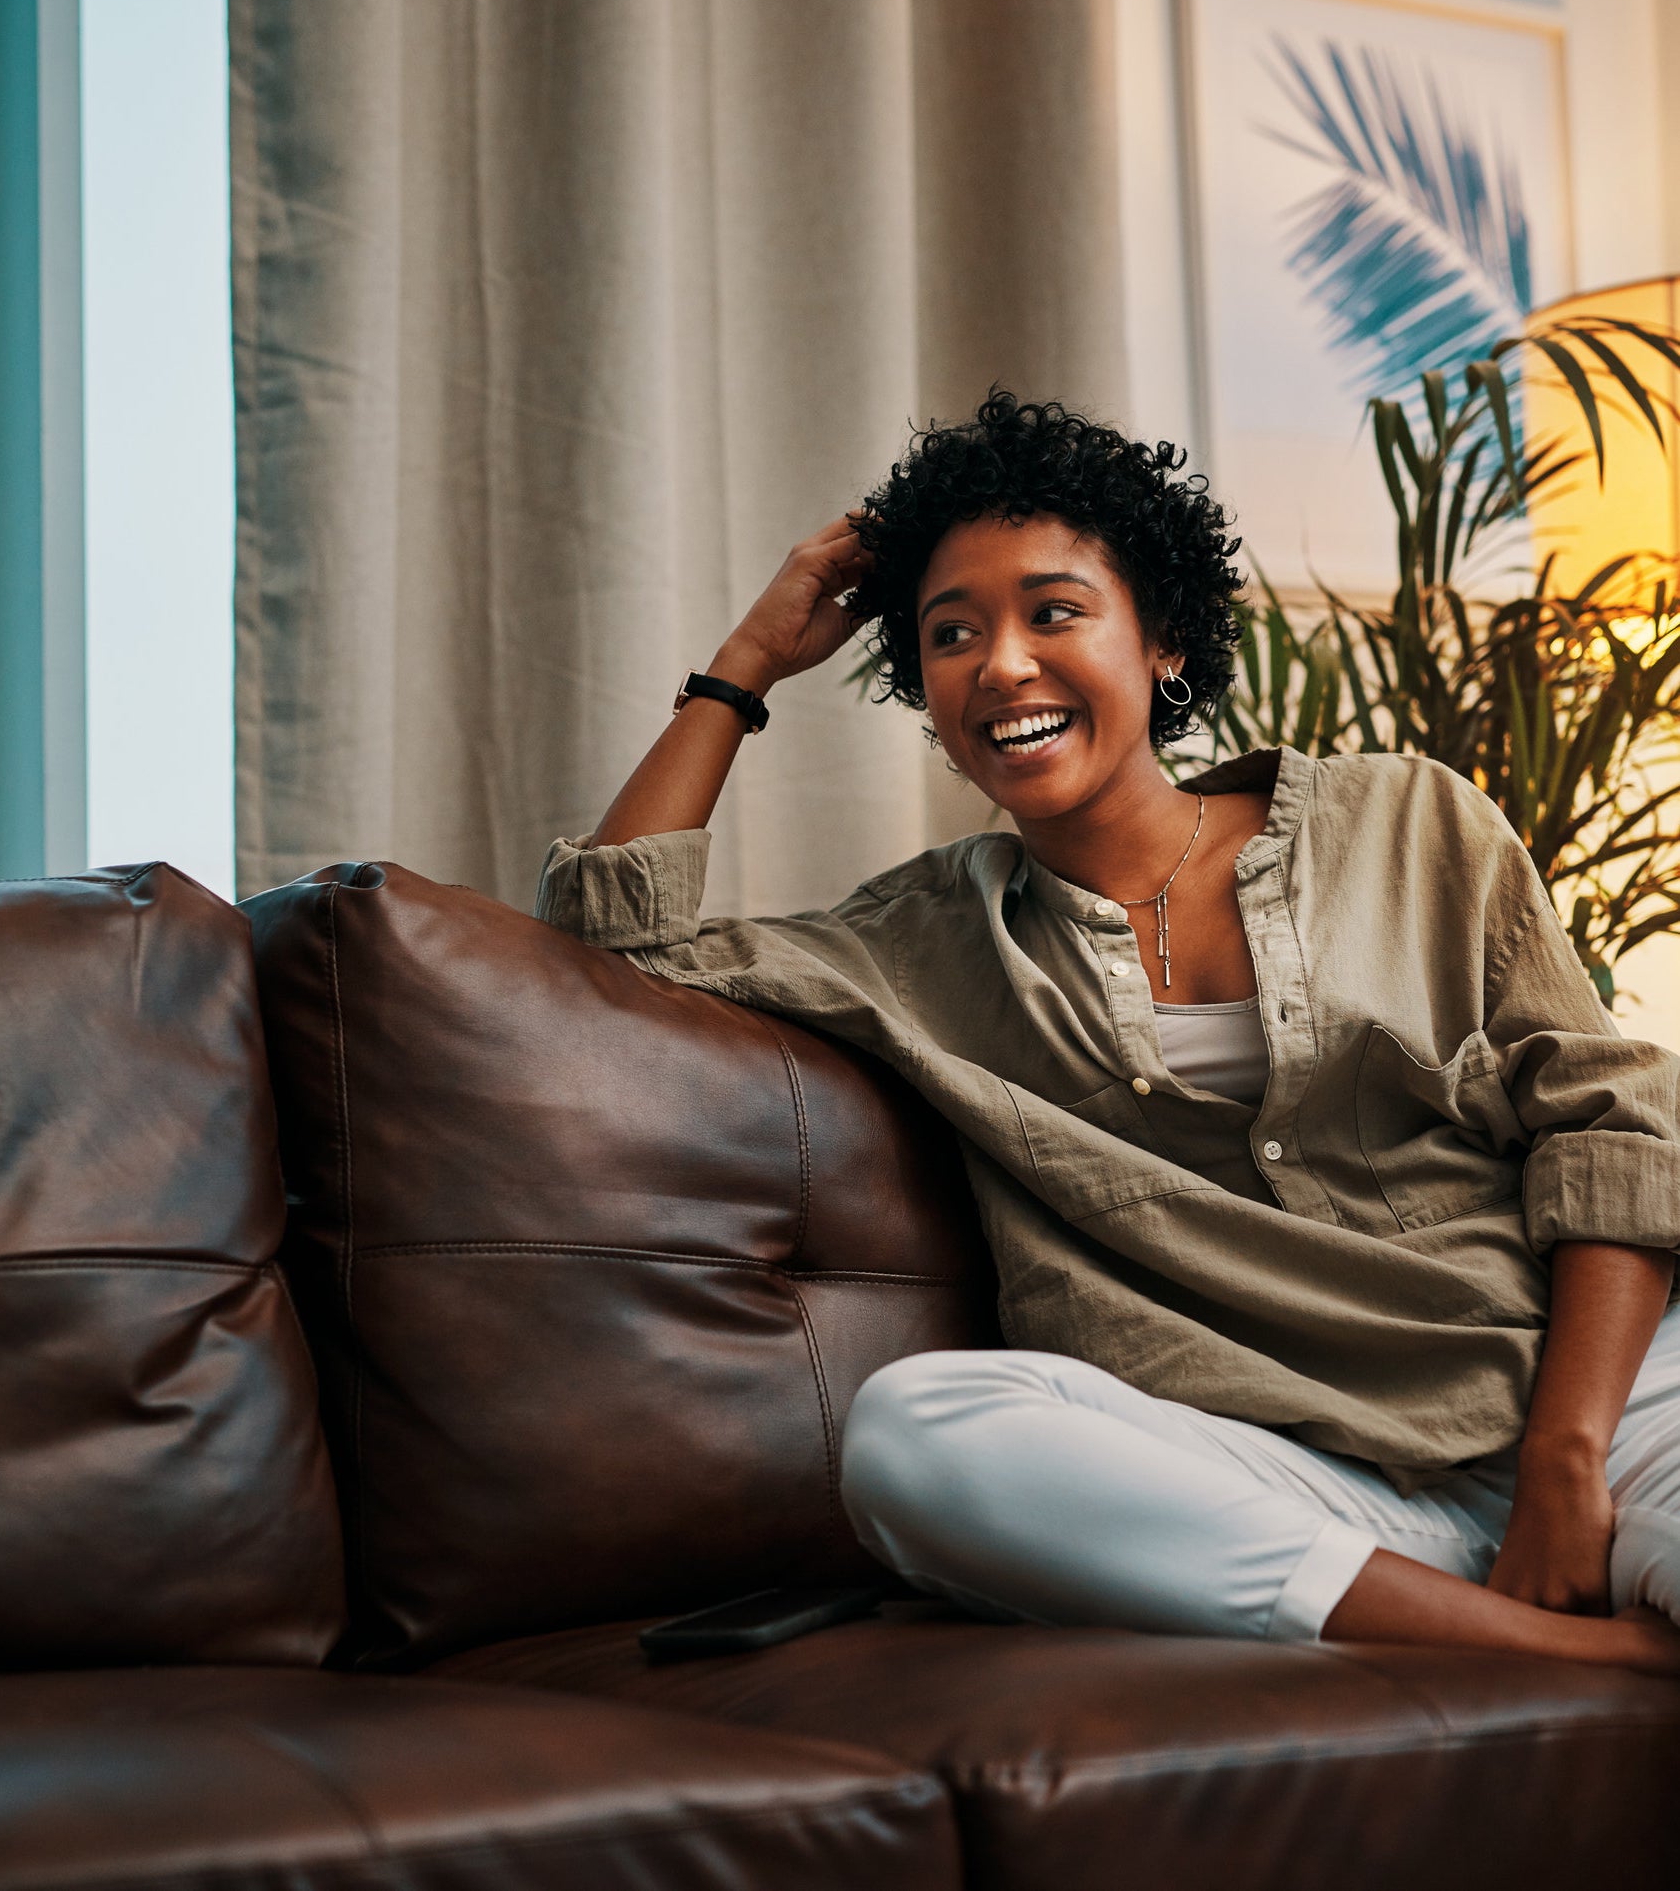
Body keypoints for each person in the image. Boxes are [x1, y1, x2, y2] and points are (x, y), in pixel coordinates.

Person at [535, 390, 1680, 1672]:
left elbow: (1613, 1122)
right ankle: (1575, 1655)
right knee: (921, 1429)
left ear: (1167, 640)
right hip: (1296, 1476)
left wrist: (1566, 1461)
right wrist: (742, 666)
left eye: (1054, 612)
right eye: (951, 634)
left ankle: (1501, 1609)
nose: (1003, 664)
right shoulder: (916, 945)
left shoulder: (1409, 823)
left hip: (1610, 1412)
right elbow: (603, 956)